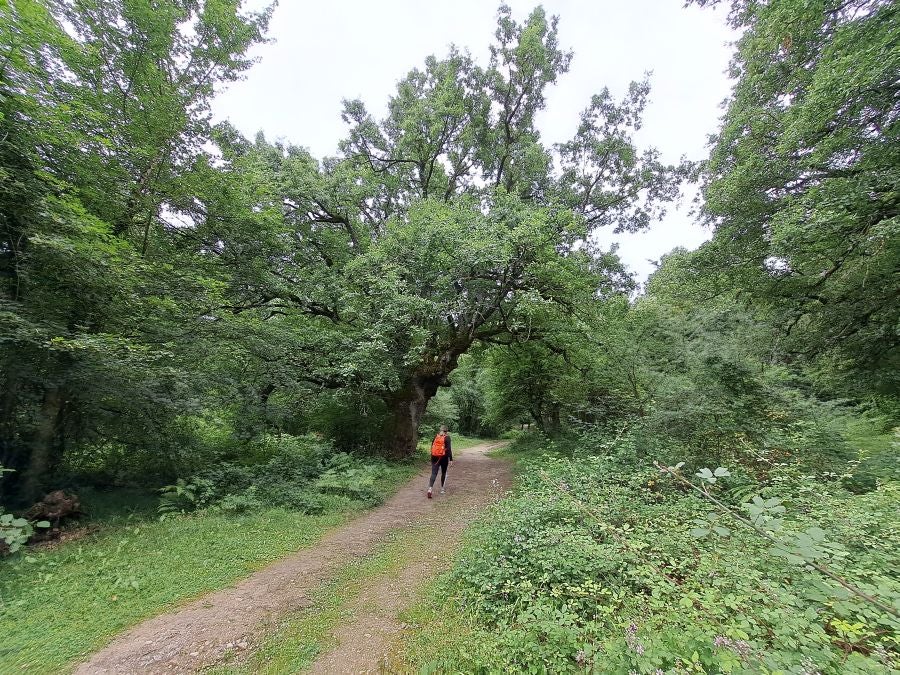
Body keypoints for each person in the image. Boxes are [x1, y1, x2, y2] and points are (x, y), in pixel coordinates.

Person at [427, 425, 453, 499]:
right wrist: (451, 459)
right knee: (444, 472)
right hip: (443, 458)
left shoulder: (436, 436)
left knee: (434, 473)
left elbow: (432, 447)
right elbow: (448, 449)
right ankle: (442, 489)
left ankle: (430, 489)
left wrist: (431, 457)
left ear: (440, 430)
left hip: (434, 457)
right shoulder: (447, 437)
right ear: (446, 431)